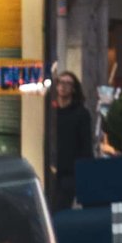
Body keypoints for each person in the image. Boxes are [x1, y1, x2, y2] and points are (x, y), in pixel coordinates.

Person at [47, 69, 97, 204]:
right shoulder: (50, 112)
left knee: (59, 208)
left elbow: (86, 146)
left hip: (69, 173)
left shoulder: (81, 114)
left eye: (68, 84)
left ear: (74, 89)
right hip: (50, 171)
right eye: (61, 82)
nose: (63, 86)